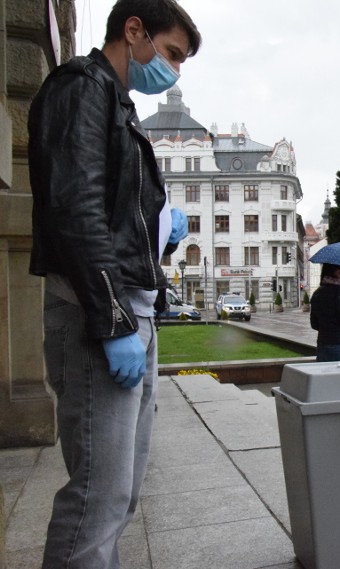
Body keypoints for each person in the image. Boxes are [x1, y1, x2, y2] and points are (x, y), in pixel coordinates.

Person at [27, 1, 201, 566]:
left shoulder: (116, 105)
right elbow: (76, 210)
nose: (173, 71)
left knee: (118, 495)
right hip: (100, 314)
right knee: (97, 499)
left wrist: (164, 231)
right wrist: (113, 320)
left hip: (128, 311)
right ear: (134, 31)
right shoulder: (82, 89)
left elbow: (116, 217)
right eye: (171, 53)